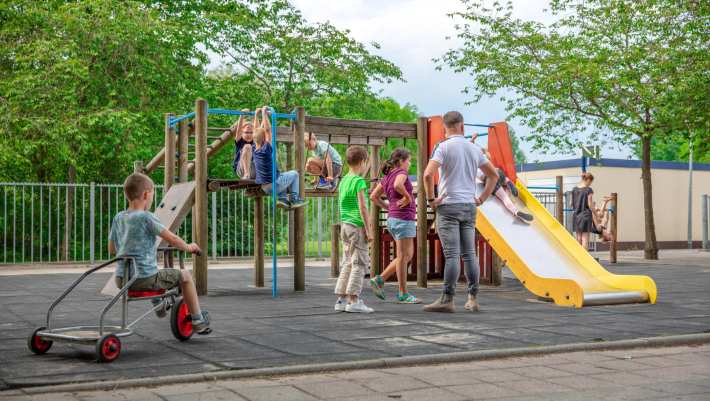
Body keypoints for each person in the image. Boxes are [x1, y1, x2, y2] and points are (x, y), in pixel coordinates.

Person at [108, 173, 211, 334]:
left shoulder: (118, 218)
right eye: (152, 196)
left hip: (121, 279)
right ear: (146, 194)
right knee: (184, 276)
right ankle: (198, 320)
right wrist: (189, 247)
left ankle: (160, 306)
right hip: (143, 279)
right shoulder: (146, 217)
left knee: (154, 271)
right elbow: (172, 238)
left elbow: (112, 249)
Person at [422, 111, 498, 313]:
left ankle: (447, 299)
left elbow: (428, 174)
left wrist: (431, 200)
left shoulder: (443, 147)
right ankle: (473, 299)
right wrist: (481, 198)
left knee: (453, 255)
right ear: (462, 126)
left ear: (444, 128)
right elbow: (493, 175)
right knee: (469, 254)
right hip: (469, 206)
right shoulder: (474, 149)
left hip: (448, 206)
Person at [369, 148, 421, 304]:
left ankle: (380, 279)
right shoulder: (401, 173)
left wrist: (388, 207)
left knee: (404, 256)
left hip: (394, 218)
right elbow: (399, 185)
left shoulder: (387, 177)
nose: (410, 163)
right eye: (408, 160)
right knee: (404, 257)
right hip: (403, 219)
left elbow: (373, 196)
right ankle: (403, 294)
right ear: (401, 161)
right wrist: (408, 197)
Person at [334, 146, 374, 313]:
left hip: (345, 225)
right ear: (363, 162)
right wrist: (369, 229)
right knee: (359, 263)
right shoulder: (359, 182)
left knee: (348, 262)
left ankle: (341, 300)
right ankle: (354, 300)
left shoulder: (343, 180)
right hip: (357, 226)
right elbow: (363, 207)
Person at [252, 107, 305, 209]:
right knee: (295, 174)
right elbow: (268, 130)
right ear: (265, 139)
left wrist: (255, 115)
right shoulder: (266, 149)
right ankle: (295, 199)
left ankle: (283, 199)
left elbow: (256, 131)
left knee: (281, 175)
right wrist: (263, 113)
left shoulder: (255, 149)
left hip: (264, 187)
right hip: (274, 185)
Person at [478, 149, 532, 222]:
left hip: (490, 180)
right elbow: (488, 154)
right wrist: (483, 150)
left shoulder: (473, 167)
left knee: (504, 197)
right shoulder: (483, 158)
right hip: (497, 172)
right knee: (502, 178)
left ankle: (515, 211)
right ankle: (508, 182)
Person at [572, 172, 596, 249]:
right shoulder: (589, 190)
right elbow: (590, 204)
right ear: (588, 180)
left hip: (576, 216)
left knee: (578, 237)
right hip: (585, 215)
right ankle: (584, 258)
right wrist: (595, 213)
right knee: (585, 237)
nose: (590, 184)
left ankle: (578, 256)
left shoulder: (574, 189)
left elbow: (571, 203)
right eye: (591, 182)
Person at [232, 109, 256, 180]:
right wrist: (241, 115)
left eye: (251, 133)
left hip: (254, 169)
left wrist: (256, 116)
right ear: (242, 133)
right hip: (241, 169)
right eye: (246, 132)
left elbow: (258, 129)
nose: (249, 135)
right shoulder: (240, 141)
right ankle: (246, 174)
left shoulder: (255, 141)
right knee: (247, 147)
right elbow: (239, 129)